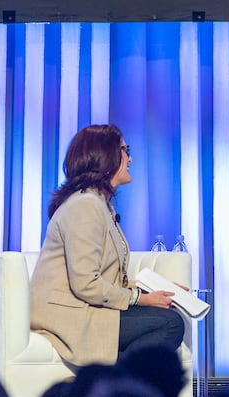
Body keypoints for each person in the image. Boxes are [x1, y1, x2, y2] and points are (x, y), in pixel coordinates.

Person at [29, 124, 185, 368]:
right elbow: (86, 284)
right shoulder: (85, 206)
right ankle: (112, 388)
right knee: (170, 323)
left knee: (169, 320)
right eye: (125, 150)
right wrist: (141, 300)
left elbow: (108, 279)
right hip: (68, 315)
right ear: (105, 156)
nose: (130, 158)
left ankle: (113, 387)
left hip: (86, 308)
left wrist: (157, 291)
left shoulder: (98, 204)